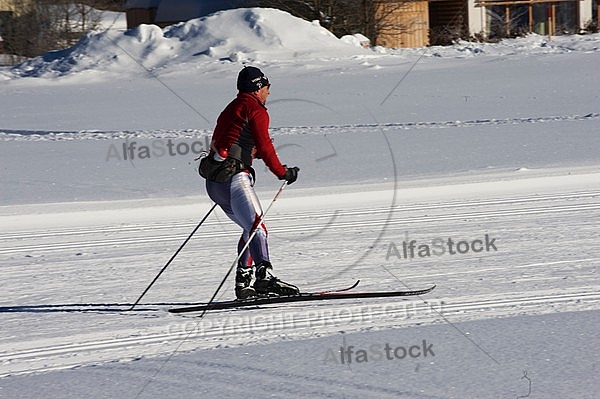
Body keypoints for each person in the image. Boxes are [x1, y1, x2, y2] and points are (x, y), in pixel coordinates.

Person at [200, 66, 300, 299]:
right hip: (235, 180)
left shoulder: (232, 107)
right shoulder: (256, 110)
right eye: (267, 87)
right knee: (257, 228)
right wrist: (282, 172)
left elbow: (230, 142)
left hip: (215, 184)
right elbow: (266, 147)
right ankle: (264, 277)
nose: (268, 92)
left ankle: (244, 284)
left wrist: (249, 152)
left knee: (249, 228)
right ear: (258, 88)